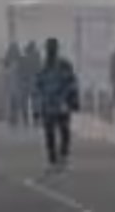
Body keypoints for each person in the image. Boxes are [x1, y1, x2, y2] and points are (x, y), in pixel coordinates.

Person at [33, 37, 80, 170]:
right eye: (49, 48)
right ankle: (52, 159)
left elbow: (72, 83)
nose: (50, 51)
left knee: (64, 131)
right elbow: (38, 88)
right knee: (50, 133)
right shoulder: (44, 67)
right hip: (49, 105)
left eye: (51, 48)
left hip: (61, 104)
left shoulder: (64, 65)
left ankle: (63, 155)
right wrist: (37, 109)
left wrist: (73, 101)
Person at [3, 42, 26, 127]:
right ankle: (15, 119)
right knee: (16, 103)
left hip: (11, 86)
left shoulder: (8, 61)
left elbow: (5, 73)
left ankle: (12, 119)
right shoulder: (20, 61)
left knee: (11, 103)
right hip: (16, 86)